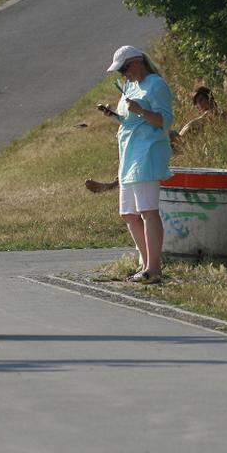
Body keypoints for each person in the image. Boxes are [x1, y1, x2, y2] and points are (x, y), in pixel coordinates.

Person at [95, 46, 172, 284]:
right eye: (120, 71)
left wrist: (140, 110)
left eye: (125, 68)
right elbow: (129, 118)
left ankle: (154, 268)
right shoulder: (129, 86)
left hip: (147, 151)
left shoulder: (156, 84)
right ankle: (146, 262)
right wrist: (113, 115)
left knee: (148, 210)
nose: (123, 74)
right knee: (128, 213)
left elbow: (164, 121)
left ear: (138, 61)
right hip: (129, 152)